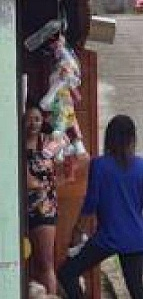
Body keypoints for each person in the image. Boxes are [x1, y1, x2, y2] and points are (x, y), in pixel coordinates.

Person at [58, 115, 143, 299]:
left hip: (107, 237)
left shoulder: (100, 165)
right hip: (135, 238)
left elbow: (91, 204)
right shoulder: (141, 166)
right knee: (136, 288)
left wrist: (77, 231)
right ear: (132, 138)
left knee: (67, 273)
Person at [24, 105, 58, 295]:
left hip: (45, 209)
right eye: (29, 119)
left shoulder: (48, 143)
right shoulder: (17, 145)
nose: (33, 124)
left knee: (45, 262)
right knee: (28, 262)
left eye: (37, 119)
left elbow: (78, 159)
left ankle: (51, 296)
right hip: (21, 209)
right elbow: (26, 181)